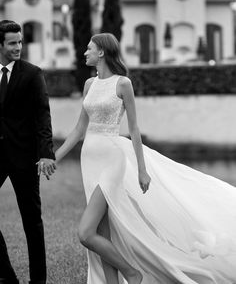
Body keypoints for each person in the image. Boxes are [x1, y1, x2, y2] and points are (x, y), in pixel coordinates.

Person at [55, 32, 236, 284]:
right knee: (101, 231)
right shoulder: (89, 84)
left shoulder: (123, 84)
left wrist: (141, 169)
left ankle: (132, 273)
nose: (84, 52)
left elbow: (134, 128)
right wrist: (55, 158)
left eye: (89, 48)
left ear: (102, 52)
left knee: (85, 233)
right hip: (89, 159)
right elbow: (78, 130)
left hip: (112, 159)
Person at [0, 20, 56, 284]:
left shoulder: (33, 73)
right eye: (12, 43)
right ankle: (7, 277)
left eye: (20, 42)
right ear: (0, 45)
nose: (18, 47)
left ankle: (38, 282)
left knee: (32, 223)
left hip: (24, 157)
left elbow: (42, 116)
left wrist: (46, 153)